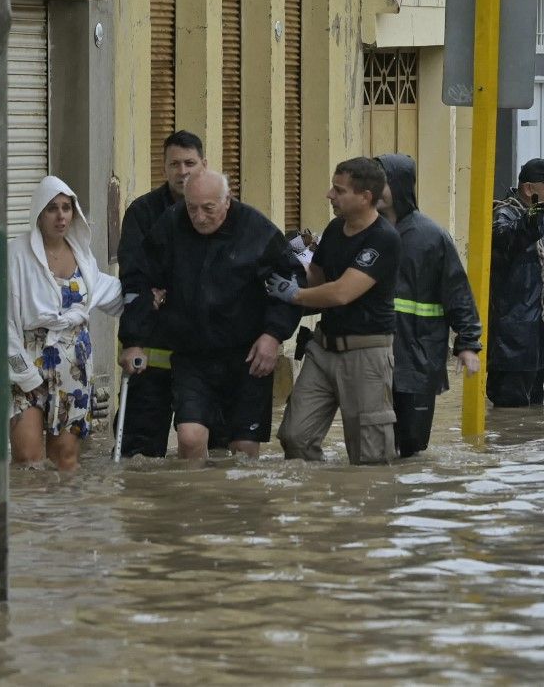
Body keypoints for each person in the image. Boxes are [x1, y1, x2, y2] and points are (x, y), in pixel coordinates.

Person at [118, 170, 303, 460]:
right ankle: (194, 503)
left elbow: (292, 286)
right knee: (190, 438)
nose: (199, 217)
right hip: (193, 355)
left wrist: (273, 335)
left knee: (243, 451)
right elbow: (137, 278)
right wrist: (133, 339)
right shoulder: (171, 224)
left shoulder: (257, 230)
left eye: (208, 209)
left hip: (248, 357)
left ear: (227, 200)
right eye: (192, 208)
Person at [266, 157, 401, 465]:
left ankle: (361, 509)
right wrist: (291, 265)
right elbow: (320, 276)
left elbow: (342, 292)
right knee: (294, 437)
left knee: (369, 456)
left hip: (366, 355)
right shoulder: (335, 228)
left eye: (339, 190)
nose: (329, 195)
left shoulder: (384, 239)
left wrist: (295, 294)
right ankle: (322, 503)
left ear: (365, 197)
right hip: (323, 349)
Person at [114, 130, 220, 458]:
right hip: (151, 349)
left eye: (190, 163)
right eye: (174, 164)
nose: (182, 171)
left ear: (204, 165)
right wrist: (132, 339)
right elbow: (134, 278)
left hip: (206, 352)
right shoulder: (143, 213)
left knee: (211, 449)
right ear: (164, 168)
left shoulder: (224, 210)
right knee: (139, 455)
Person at [8, 176, 124, 470]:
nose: (60, 216)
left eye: (66, 208)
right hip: (29, 362)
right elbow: (1, 320)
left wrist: (151, 296)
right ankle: (31, 517)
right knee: (28, 460)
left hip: (75, 363)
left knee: (66, 460)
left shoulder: (82, 255)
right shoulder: (16, 255)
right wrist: (25, 376)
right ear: (38, 213)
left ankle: (65, 516)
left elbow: (111, 293)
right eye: (52, 209)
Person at [374, 153, 482, 458]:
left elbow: (458, 291)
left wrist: (468, 343)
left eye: (380, 183)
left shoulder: (431, 237)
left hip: (417, 358)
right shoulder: (362, 231)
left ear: (399, 185)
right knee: (373, 445)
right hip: (371, 355)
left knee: (411, 445)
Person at [487, 158, 544, 407]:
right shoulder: (503, 214)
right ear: (529, 189)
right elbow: (506, 241)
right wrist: (529, 223)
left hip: (542, 336)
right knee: (511, 414)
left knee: (535, 417)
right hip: (513, 340)